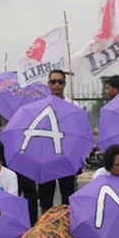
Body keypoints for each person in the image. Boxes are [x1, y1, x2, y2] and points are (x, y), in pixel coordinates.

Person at [37, 69, 78, 213]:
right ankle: (44, 229)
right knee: (45, 199)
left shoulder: (74, 105)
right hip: (46, 157)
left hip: (66, 156)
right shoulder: (40, 105)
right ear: (48, 84)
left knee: (68, 198)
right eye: (53, 82)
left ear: (65, 84)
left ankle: (67, 229)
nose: (56, 85)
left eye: (60, 82)